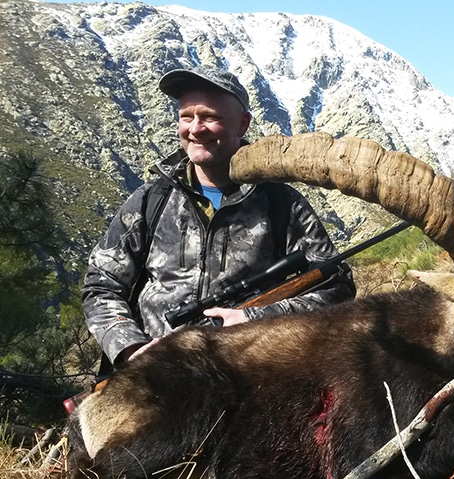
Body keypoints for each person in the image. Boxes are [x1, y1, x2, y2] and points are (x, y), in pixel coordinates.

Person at [82, 65, 356, 372]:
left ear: (242, 124)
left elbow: (336, 288)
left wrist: (255, 319)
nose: (195, 128)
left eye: (210, 117)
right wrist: (129, 347)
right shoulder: (150, 201)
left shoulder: (283, 205)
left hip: (249, 375)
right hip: (152, 377)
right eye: (186, 117)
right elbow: (101, 285)